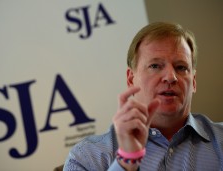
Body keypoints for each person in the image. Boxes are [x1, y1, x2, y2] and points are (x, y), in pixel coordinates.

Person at [63, 22, 223, 171]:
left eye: (181, 67)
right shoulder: (87, 156)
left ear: (193, 82)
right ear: (131, 79)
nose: (170, 77)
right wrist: (127, 161)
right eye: (155, 66)